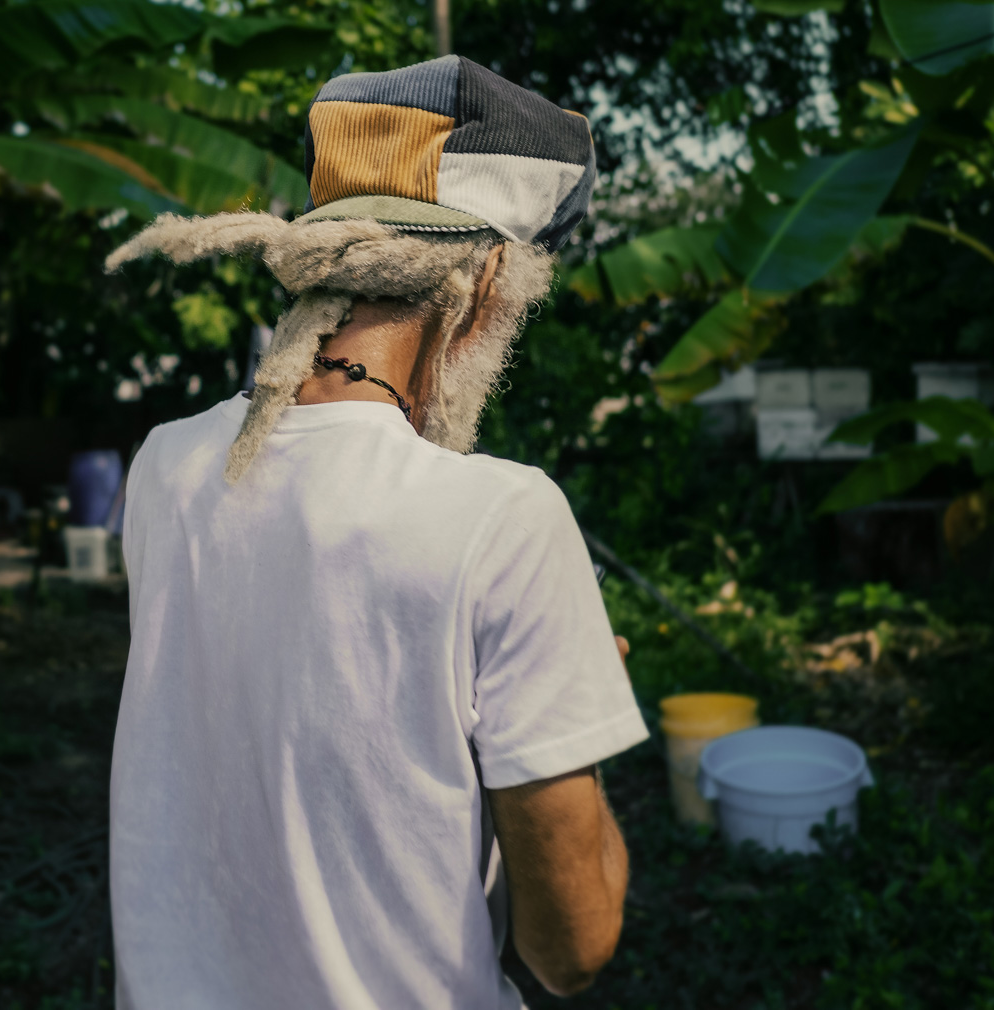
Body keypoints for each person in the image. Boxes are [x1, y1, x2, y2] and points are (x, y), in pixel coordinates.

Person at [104, 54, 648, 1009]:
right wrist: (570, 723)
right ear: (484, 282)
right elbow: (573, 948)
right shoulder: (506, 519)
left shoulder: (163, 468)